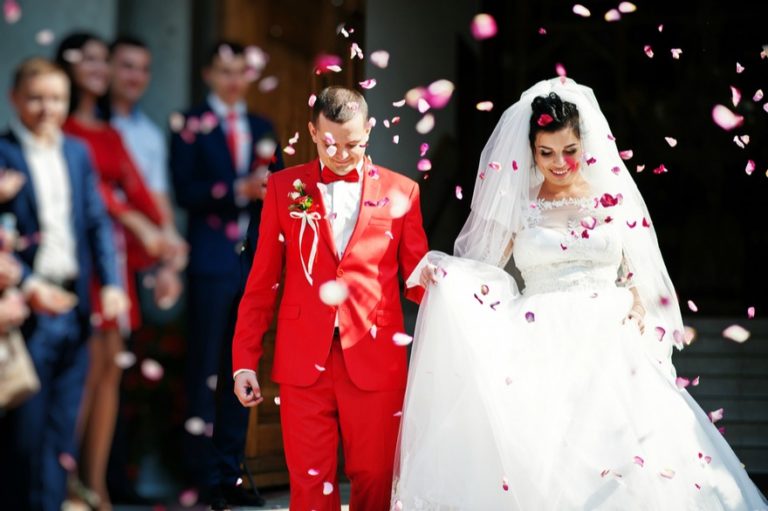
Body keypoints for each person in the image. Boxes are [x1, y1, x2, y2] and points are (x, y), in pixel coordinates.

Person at [392, 77, 768, 510]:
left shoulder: (614, 201)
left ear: (584, 144)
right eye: (546, 153)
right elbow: (484, 267)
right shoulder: (521, 206)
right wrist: (449, 275)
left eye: (569, 151)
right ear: (531, 152)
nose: (559, 163)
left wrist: (639, 302)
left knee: (629, 450)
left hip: (610, 336)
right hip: (538, 339)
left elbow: (636, 271)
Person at [232, 85, 430, 511]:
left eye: (354, 144)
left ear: (370, 131)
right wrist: (244, 360)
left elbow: (417, 280)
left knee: (376, 480)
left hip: (375, 355)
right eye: (330, 143)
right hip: (304, 359)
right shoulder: (285, 187)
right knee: (308, 484)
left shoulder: (403, 192)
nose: (342, 154)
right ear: (311, 131)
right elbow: (262, 281)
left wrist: (461, 289)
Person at [55, 32, 183, 510]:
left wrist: (167, 240)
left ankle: (96, 488)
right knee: (83, 373)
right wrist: (136, 222)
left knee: (110, 370)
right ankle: (64, 485)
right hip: (81, 259)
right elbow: (99, 194)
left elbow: (139, 192)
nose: (98, 68)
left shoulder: (111, 134)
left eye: (102, 60)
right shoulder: (63, 127)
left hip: (116, 265)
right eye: (87, 59)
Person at [0, 57, 126, 511]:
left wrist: (111, 283)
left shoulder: (77, 151)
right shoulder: (2, 152)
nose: (46, 107)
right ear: (15, 99)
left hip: (73, 306)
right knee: (24, 434)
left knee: (61, 432)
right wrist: (29, 285)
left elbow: (95, 222)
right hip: (25, 308)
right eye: (35, 97)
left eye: (55, 98)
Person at [170, 40, 282, 507]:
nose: (233, 80)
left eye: (241, 71)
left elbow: (276, 191)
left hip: (251, 261)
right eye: (224, 71)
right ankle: (200, 480)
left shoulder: (262, 125)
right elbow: (184, 189)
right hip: (210, 261)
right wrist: (236, 188)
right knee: (204, 370)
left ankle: (230, 475)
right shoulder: (190, 124)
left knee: (241, 366)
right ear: (209, 75)